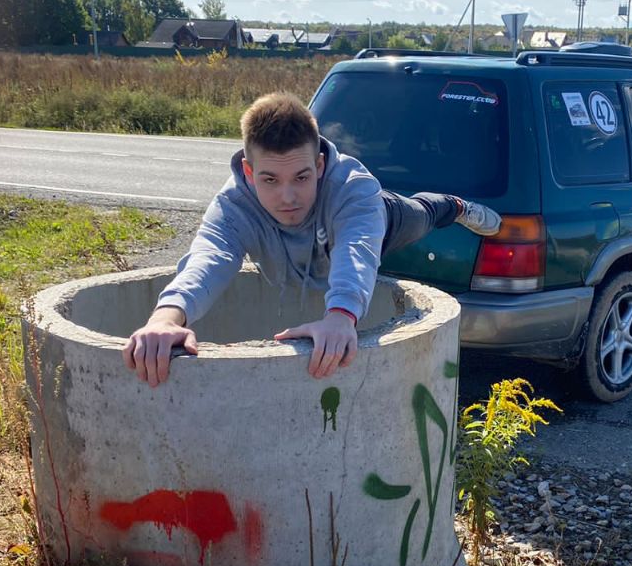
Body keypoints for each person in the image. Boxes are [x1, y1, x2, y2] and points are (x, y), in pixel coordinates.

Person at [122, 92, 501, 387]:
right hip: (320, 241)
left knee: (422, 217)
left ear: (319, 164)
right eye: (270, 180)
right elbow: (209, 256)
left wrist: (341, 317)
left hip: (379, 221)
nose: (288, 197)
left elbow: (356, 253)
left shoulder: (354, 189)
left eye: (302, 177)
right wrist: (166, 317)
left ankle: (456, 206)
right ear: (249, 172)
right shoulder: (233, 204)